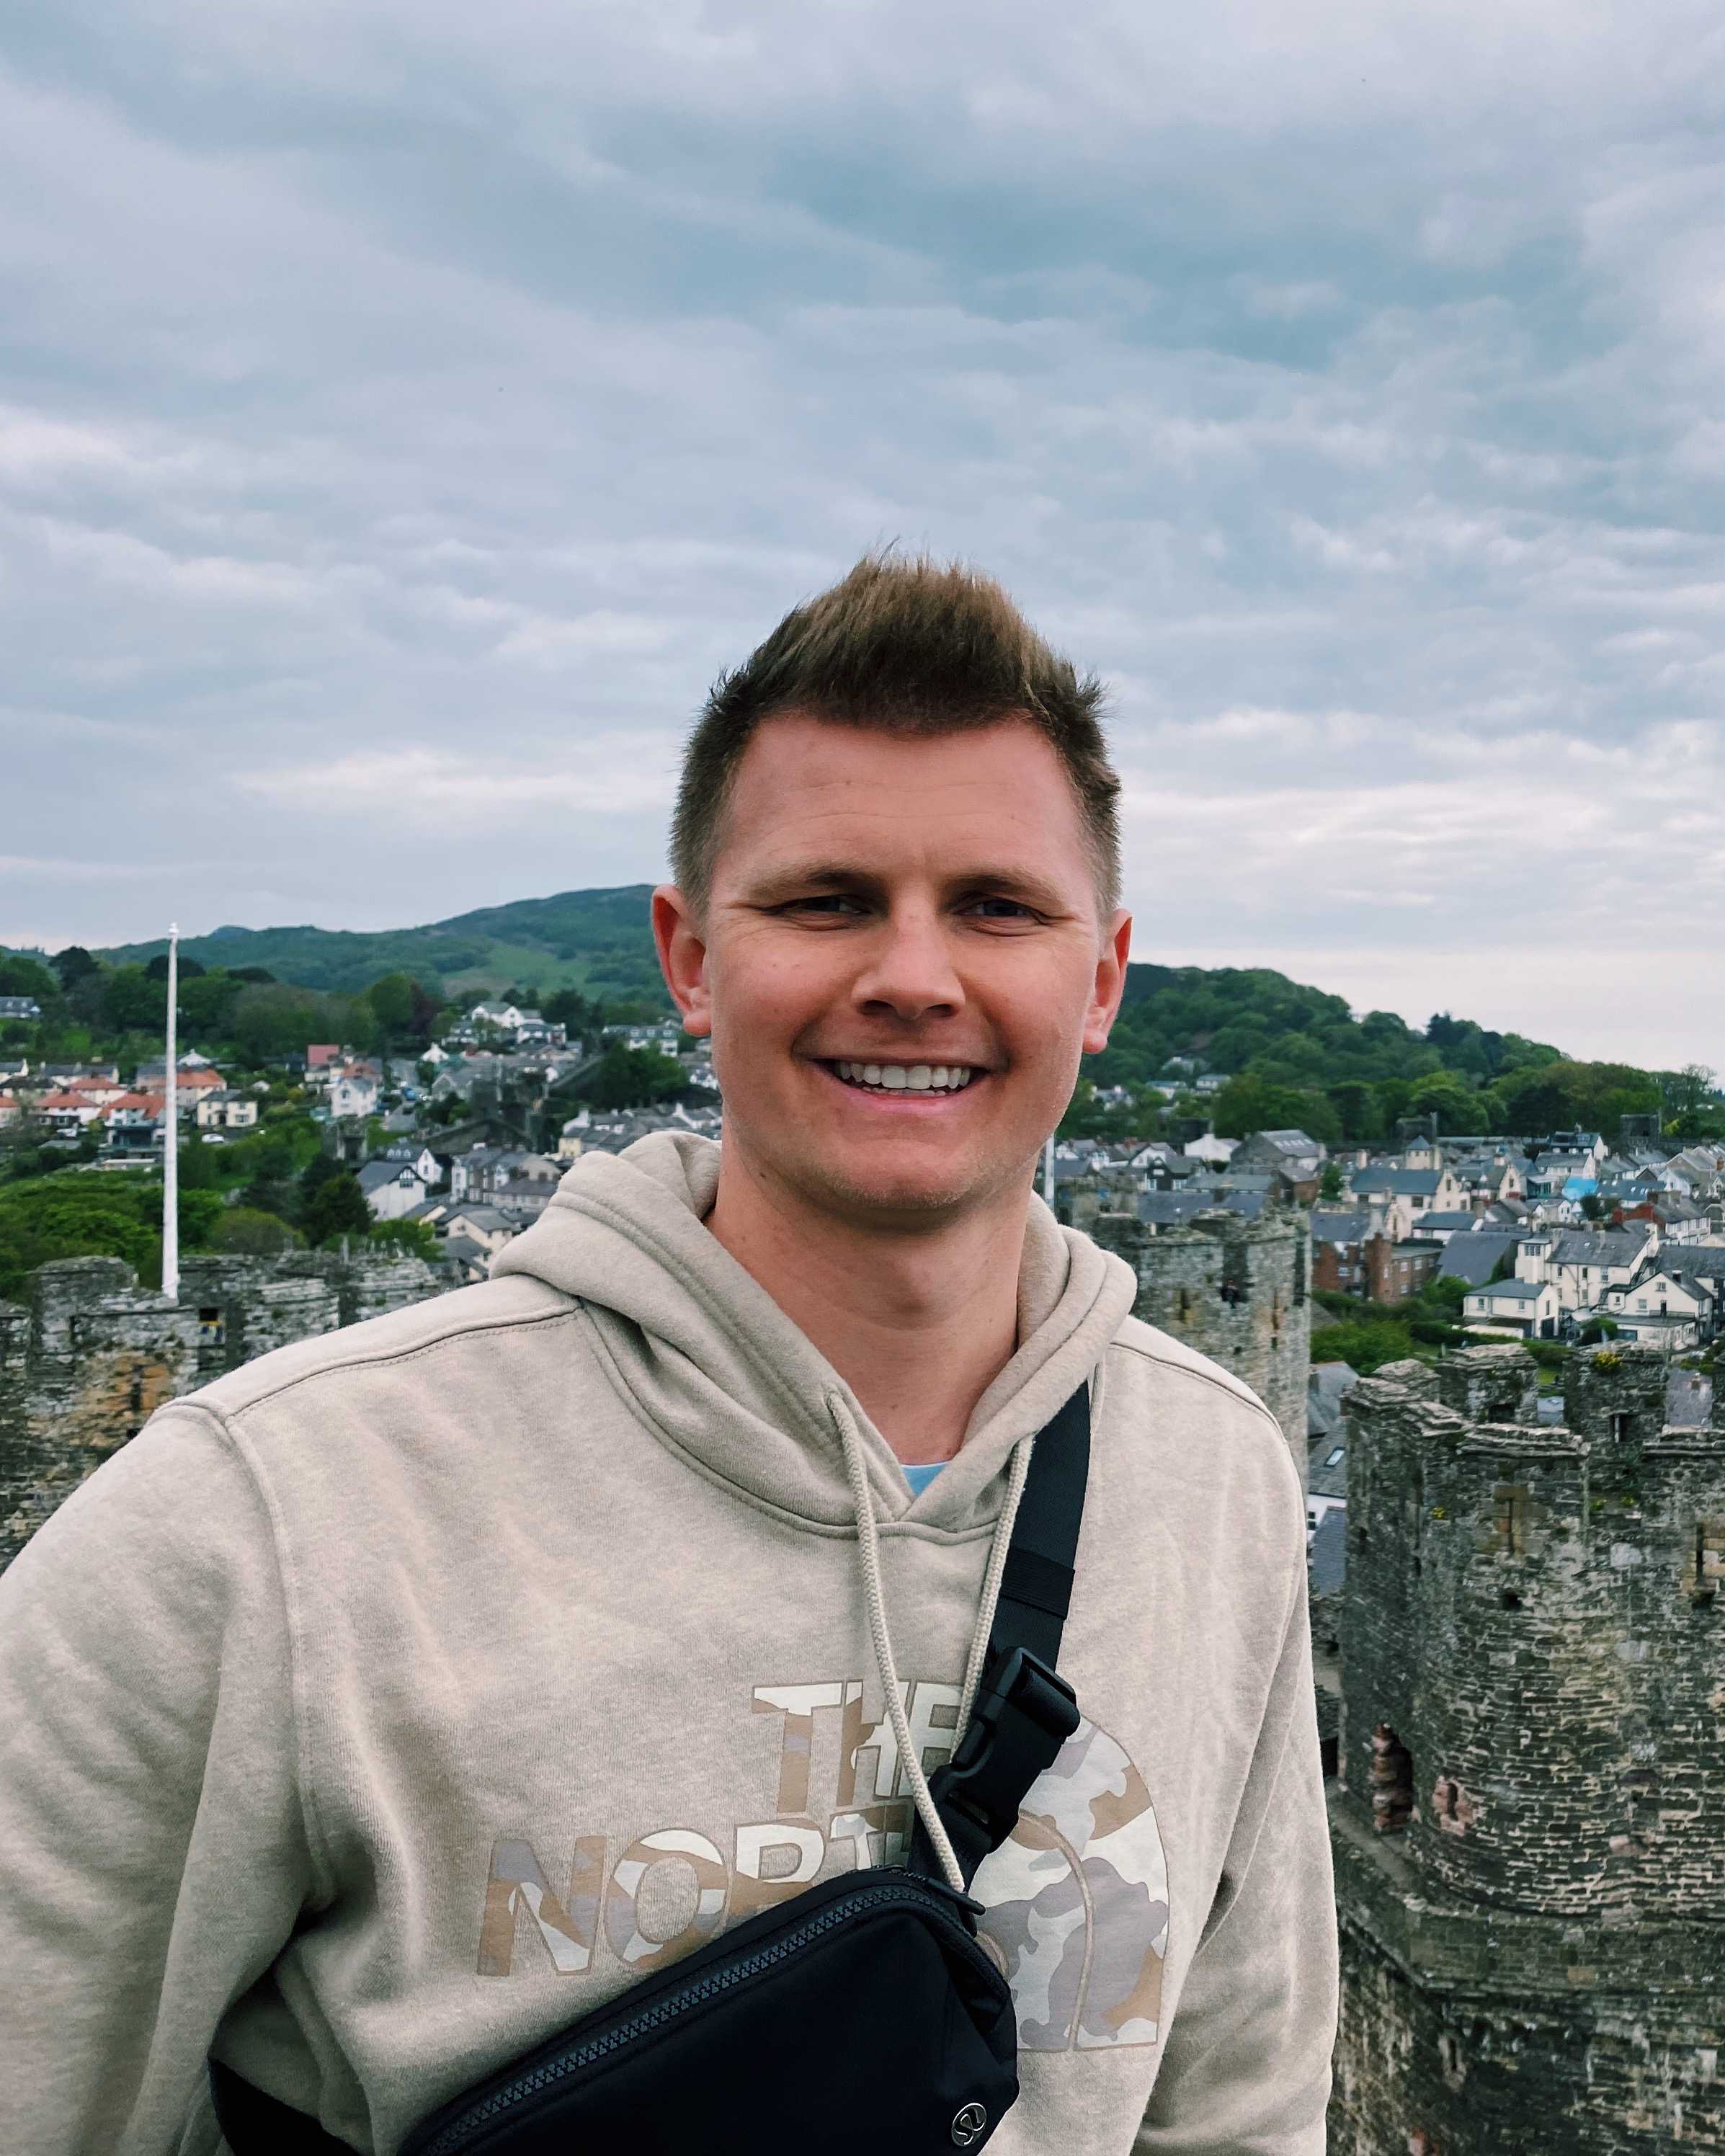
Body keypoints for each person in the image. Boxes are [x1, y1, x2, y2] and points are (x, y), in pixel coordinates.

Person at [0, 556, 1336, 2152]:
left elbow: (1234, 2102)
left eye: (996, 906)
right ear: (690, 957)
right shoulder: (266, 1519)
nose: (913, 977)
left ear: (1101, 974)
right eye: (827, 899)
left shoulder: (1213, 1481)